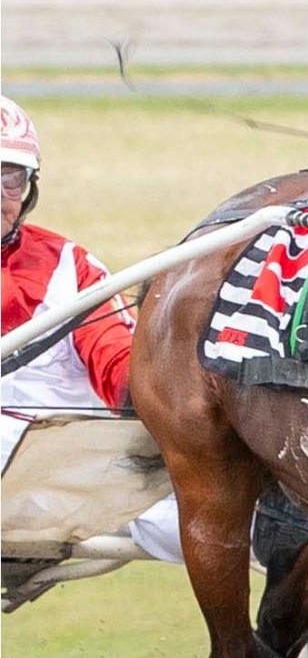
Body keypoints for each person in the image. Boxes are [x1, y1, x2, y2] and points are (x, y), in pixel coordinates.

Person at [1, 94, 182, 563]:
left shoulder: (71, 266)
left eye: (9, 178)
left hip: (83, 473)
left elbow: (121, 366)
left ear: (29, 187)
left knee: (217, 518)